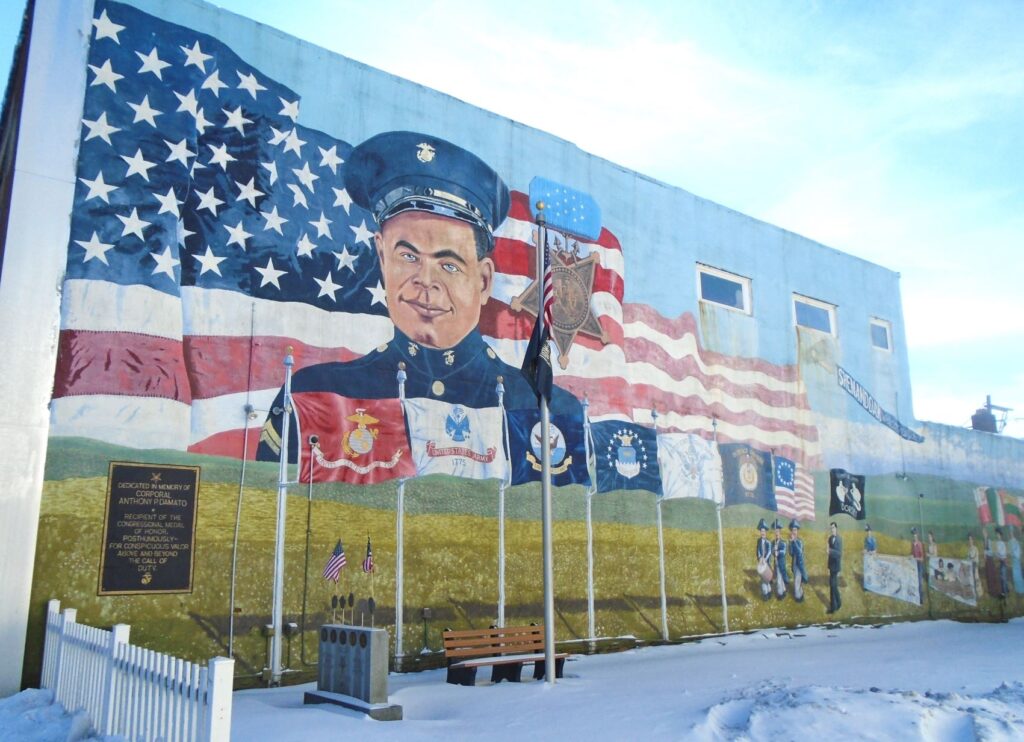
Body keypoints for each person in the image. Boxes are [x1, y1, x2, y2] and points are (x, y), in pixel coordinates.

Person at [256, 131, 582, 463]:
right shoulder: (315, 396)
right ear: (382, 257)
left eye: (449, 264)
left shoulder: (547, 411)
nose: (425, 281)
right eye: (408, 257)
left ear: (483, 281)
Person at [788, 519, 808, 602]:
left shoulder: (799, 541)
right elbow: (791, 553)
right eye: (792, 530)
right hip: (795, 564)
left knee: (797, 582)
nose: (794, 532)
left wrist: (794, 542)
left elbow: (799, 552)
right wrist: (790, 544)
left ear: (797, 531)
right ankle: (800, 594)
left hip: (799, 564)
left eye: (795, 530)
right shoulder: (792, 542)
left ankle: (798, 597)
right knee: (797, 580)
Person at [755, 518, 773, 601]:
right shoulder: (759, 541)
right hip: (761, 562)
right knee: (763, 579)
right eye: (761, 531)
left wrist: (765, 558)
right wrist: (760, 557)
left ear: (766, 532)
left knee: (766, 579)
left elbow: (769, 551)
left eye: (764, 531)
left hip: (767, 563)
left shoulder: (768, 542)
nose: (762, 533)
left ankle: (767, 593)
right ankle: (767, 593)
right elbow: (758, 550)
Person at [827, 521, 842, 614]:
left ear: (836, 528)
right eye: (831, 528)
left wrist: (830, 551)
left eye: (833, 528)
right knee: (833, 585)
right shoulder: (830, 538)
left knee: (832, 586)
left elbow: (839, 554)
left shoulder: (839, 539)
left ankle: (834, 607)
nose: (832, 529)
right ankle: (838, 603)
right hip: (831, 565)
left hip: (836, 566)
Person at [772, 519, 789, 600]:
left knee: (779, 578)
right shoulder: (773, 542)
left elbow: (784, 551)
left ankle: (780, 594)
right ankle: (784, 590)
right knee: (779, 577)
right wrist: (773, 550)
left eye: (778, 531)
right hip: (775, 563)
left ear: (780, 532)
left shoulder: (783, 542)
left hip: (781, 563)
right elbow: (772, 551)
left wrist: (777, 552)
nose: (776, 533)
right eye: (775, 531)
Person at [995, 528, 1010, 597]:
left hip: (1003, 561)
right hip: (1001, 561)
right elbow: (997, 553)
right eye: (997, 534)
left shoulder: (1002, 543)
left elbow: (1003, 553)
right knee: (1002, 576)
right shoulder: (997, 543)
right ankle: (1006, 590)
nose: (997, 536)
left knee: (1003, 577)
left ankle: (1004, 593)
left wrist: (999, 554)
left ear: (1001, 535)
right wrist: (998, 554)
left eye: (998, 535)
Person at [1009, 526, 1024, 595]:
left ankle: (1021, 590)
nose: (1011, 534)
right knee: (1014, 575)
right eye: (1010, 533)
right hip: (1013, 561)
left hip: (1016, 560)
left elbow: (1018, 552)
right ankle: (1017, 590)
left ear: (1014, 534)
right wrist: (1011, 553)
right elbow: (1010, 551)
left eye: (1012, 533)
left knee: (1018, 575)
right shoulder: (1010, 542)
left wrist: (1014, 553)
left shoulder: (1016, 542)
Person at [967, 532, 982, 597]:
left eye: (971, 539)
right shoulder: (968, 549)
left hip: (974, 567)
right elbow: (967, 559)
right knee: (971, 580)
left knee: (976, 579)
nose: (970, 541)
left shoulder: (975, 548)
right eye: (969, 540)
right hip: (970, 567)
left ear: (973, 540)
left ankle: (978, 593)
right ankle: (972, 593)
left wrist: (974, 564)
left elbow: (977, 559)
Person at [911, 528, 925, 597]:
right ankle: (916, 594)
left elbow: (922, 558)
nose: (914, 536)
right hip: (914, 564)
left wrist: (915, 558)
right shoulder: (913, 544)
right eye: (913, 534)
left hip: (919, 564)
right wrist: (910, 557)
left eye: (915, 534)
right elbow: (912, 554)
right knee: (915, 579)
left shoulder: (920, 544)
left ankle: (921, 596)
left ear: (917, 535)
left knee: (919, 580)